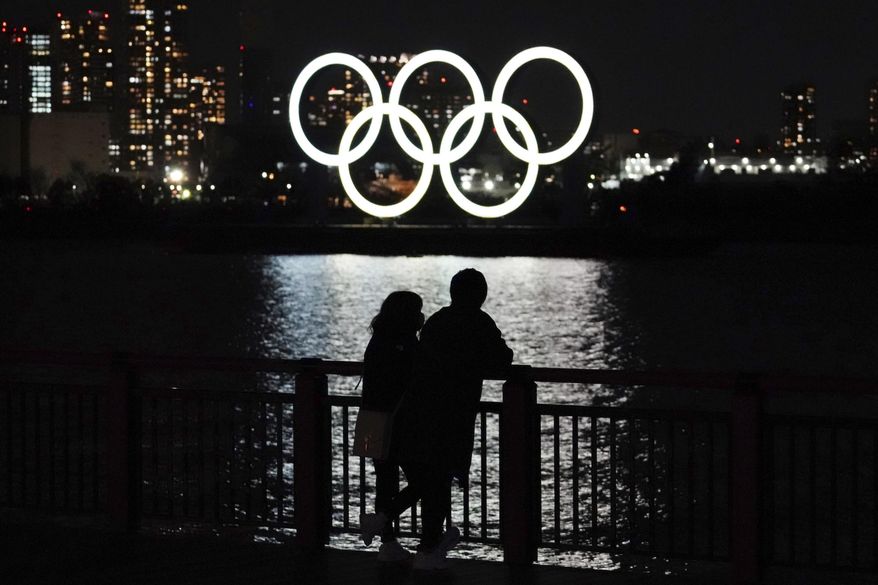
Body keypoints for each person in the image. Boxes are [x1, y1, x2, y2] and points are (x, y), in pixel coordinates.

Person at [392, 268, 513, 570]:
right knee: (440, 475)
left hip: (420, 411)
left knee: (430, 477)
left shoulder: (435, 321)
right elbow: (502, 358)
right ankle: (429, 546)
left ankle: (423, 542)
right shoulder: (479, 322)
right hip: (454, 414)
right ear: (480, 295)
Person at [358, 290, 424, 563]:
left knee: (384, 481)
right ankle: (383, 521)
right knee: (425, 480)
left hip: (370, 420)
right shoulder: (405, 343)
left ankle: (386, 540)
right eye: (418, 310)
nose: (422, 316)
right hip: (396, 421)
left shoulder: (378, 339)